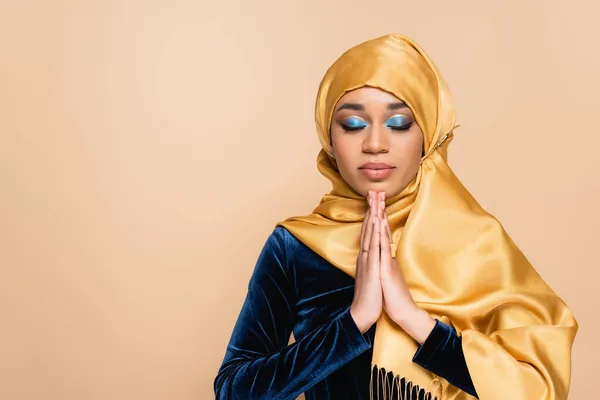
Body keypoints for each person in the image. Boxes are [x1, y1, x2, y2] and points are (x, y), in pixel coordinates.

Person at [213, 33, 578, 400]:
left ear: (428, 134)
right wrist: (354, 322)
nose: (374, 144)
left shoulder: (476, 242)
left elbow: (536, 389)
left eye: (399, 123)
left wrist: (414, 321)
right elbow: (234, 391)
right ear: (329, 137)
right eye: (353, 125)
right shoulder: (293, 248)